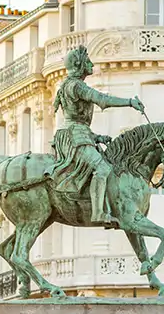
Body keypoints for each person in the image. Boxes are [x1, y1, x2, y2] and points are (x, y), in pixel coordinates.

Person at [50, 46, 145, 225]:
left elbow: (76, 118)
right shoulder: (76, 86)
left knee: (104, 166)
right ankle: (98, 213)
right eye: (87, 61)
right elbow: (102, 99)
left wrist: (95, 137)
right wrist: (130, 102)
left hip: (78, 134)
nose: (91, 64)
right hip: (74, 136)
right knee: (102, 169)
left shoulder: (68, 85)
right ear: (79, 65)